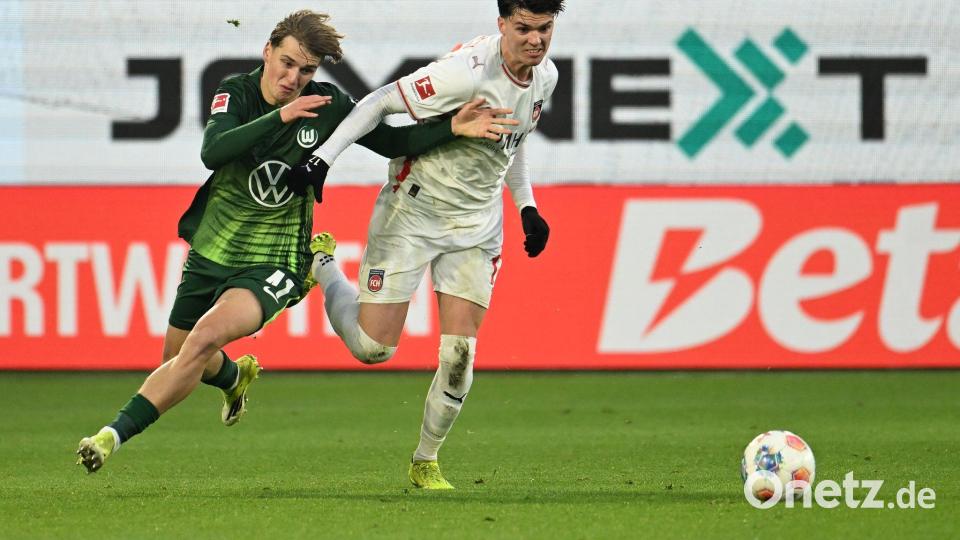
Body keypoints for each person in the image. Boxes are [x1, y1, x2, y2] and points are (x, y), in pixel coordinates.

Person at [75, 9, 519, 473]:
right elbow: (214, 151)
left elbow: (389, 141)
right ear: (267, 52)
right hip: (213, 249)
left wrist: (451, 127)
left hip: (277, 258)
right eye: (286, 63)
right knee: (179, 356)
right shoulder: (237, 91)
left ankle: (109, 438)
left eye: (306, 70)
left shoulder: (326, 104)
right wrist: (280, 117)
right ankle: (234, 376)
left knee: (202, 339)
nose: (293, 77)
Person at [291, 0, 564, 489]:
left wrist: (526, 206)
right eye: (524, 28)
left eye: (545, 29)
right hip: (412, 212)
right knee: (373, 347)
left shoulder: (546, 77)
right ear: (501, 24)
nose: (536, 40)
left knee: (459, 354)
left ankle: (426, 461)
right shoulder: (463, 74)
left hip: (477, 225)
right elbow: (375, 104)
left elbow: (514, 140)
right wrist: (322, 159)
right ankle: (322, 264)